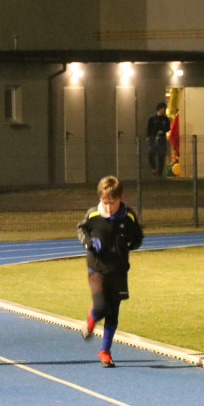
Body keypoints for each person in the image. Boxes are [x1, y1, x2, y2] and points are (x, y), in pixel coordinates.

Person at [76, 175, 144, 368]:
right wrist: (89, 242)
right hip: (97, 268)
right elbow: (81, 229)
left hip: (119, 270)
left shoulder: (128, 217)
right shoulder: (93, 215)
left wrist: (130, 243)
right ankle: (92, 316)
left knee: (113, 313)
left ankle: (105, 351)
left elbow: (138, 237)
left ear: (121, 197)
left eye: (111, 203)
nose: (108, 207)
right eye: (104, 202)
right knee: (100, 308)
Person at [146, 102, 171, 177]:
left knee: (161, 158)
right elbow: (149, 128)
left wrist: (163, 130)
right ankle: (154, 169)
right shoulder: (152, 119)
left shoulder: (165, 119)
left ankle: (160, 174)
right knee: (151, 157)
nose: (164, 110)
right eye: (163, 109)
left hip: (162, 140)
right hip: (153, 139)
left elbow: (168, 127)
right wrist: (149, 137)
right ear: (159, 109)